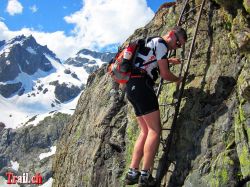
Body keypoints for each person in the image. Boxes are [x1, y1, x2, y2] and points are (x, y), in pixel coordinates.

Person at [124, 26, 187, 187]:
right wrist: (178, 79)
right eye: (178, 43)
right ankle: (145, 175)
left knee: (145, 131)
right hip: (143, 87)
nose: (176, 47)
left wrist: (169, 61)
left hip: (131, 86)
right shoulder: (161, 44)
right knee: (154, 131)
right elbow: (165, 74)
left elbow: (150, 62)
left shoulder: (151, 41)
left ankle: (132, 173)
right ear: (172, 35)